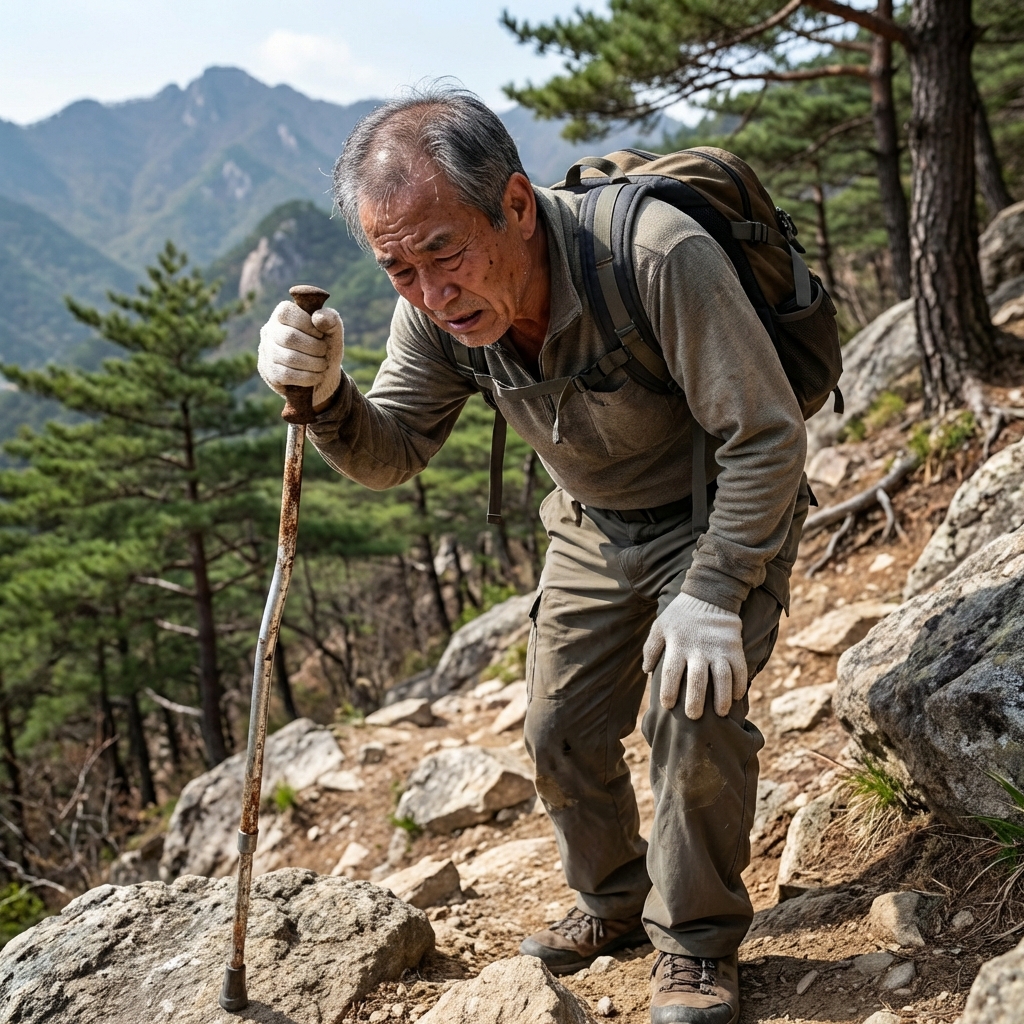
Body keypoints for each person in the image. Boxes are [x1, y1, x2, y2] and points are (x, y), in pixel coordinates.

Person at [257, 83, 808, 1024]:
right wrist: (329, 396)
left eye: (445, 251)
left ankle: (698, 945)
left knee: (691, 707)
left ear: (515, 206)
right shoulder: (435, 314)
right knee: (557, 731)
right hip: (592, 524)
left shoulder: (657, 258)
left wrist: (716, 588)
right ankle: (614, 903)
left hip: (714, 509)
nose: (433, 292)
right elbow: (396, 454)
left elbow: (765, 436)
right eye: (399, 268)